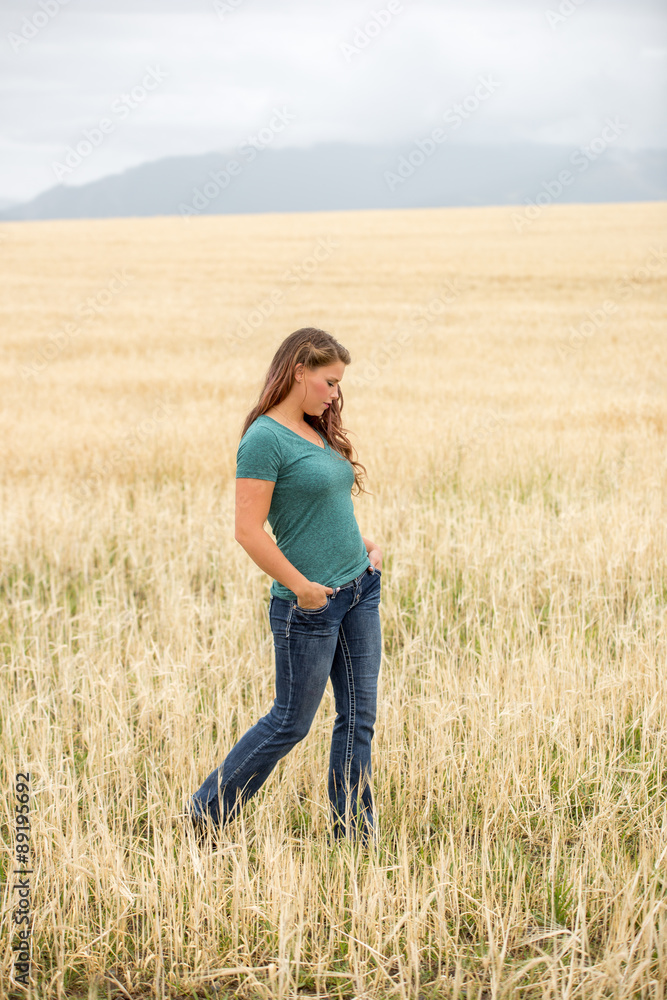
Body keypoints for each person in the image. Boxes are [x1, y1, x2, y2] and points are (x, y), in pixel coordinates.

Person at [187, 326, 383, 848]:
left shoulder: (315, 428)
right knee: (290, 723)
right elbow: (248, 531)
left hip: (360, 590)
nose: (335, 394)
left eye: (339, 384)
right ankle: (204, 816)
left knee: (359, 716)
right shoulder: (263, 440)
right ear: (299, 370)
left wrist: (361, 545)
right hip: (311, 606)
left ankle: (353, 835)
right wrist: (302, 587)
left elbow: (320, 504)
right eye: (329, 381)